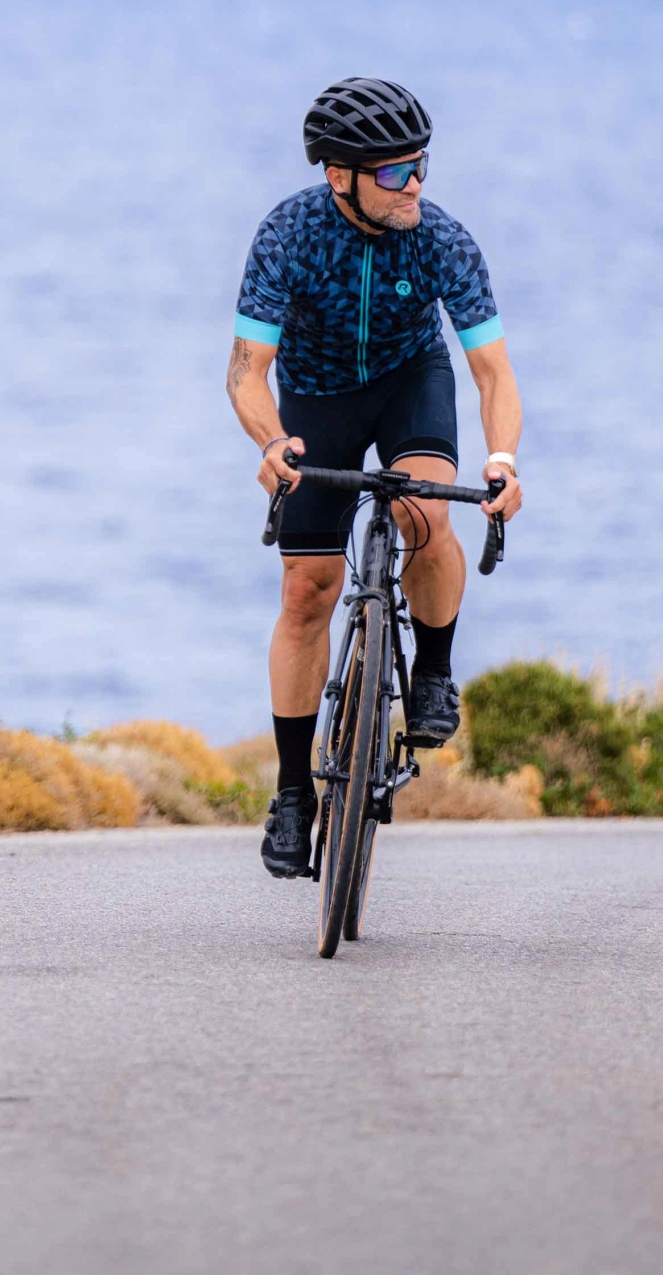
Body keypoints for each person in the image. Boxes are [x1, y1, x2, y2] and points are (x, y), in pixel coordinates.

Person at [227, 78, 525, 878]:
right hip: (316, 397)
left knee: (424, 515)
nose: (415, 184)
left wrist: (503, 460)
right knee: (306, 591)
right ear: (340, 176)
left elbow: (492, 373)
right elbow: (246, 374)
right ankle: (294, 793)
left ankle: (432, 669)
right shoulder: (288, 235)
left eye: (419, 165)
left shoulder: (443, 240)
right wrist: (273, 442)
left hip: (408, 381)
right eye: (394, 172)